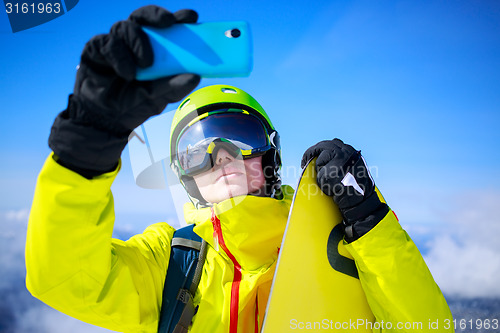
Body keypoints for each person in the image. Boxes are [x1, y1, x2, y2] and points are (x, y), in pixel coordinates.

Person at [25, 5, 453, 333]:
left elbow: (427, 324)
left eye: (239, 136)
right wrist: (85, 148)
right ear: (184, 175)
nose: (223, 156)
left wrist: (371, 221)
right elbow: (65, 279)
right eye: (198, 151)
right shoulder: (172, 262)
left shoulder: (340, 236)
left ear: (270, 156)